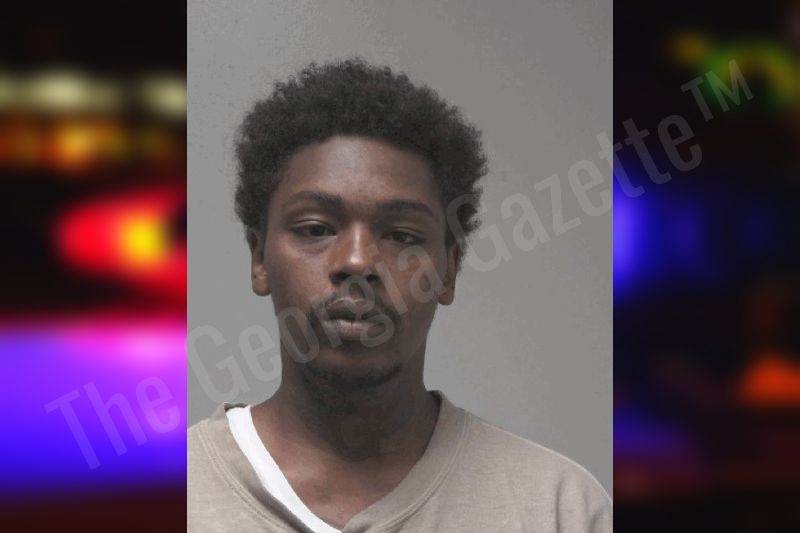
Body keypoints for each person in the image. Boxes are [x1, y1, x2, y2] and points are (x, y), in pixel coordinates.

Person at [188, 57, 612, 532]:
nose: (357, 261)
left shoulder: (560, 508)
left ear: (449, 270)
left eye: (402, 236)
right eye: (315, 228)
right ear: (259, 258)